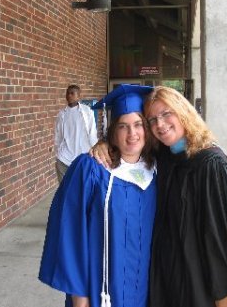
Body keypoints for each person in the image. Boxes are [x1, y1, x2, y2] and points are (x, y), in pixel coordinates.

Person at [91, 86, 227, 307]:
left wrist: (224, 299)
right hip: (169, 284)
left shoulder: (211, 166)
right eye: (152, 120)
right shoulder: (165, 157)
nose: (160, 125)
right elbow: (130, 144)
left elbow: (220, 242)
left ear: (183, 112)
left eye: (166, 114)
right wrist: (105, 144)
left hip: (202, 290)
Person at [39, 84, 157, 307]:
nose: (132, 134)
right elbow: (70, 235)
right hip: (100, 291)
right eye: (123, 126)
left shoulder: (157, 169)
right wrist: (80, 300)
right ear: (113, 131)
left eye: (138, 124)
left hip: (143, 290)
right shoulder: (90, 169)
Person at [54, 84, 98, 182]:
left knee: (81, 187)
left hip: (82, 158)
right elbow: (58, 135)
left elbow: (92, 133)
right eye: (67, 93)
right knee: (64, 188)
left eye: (72, 93)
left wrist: (94, 151)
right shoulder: (62, 114)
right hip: (64, 159)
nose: (69, 95)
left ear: (78, 96)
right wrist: (57, 153)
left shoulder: (87, 112)